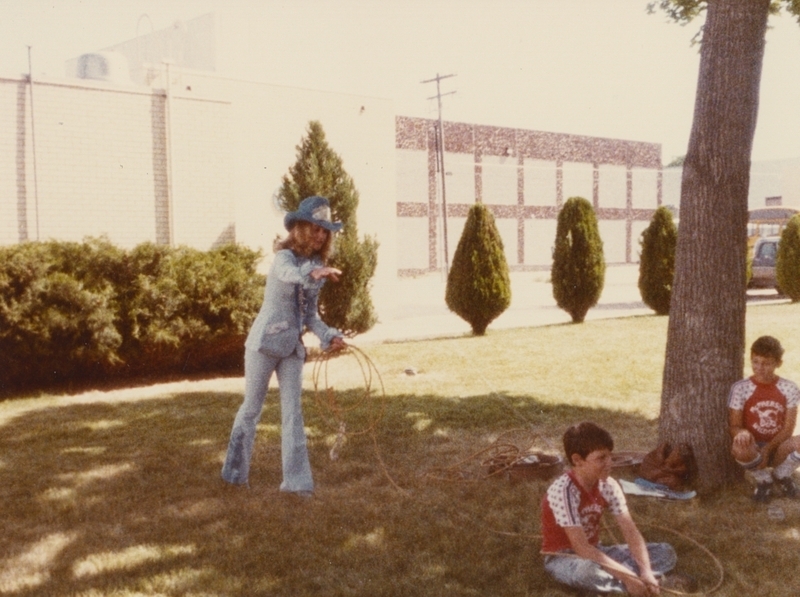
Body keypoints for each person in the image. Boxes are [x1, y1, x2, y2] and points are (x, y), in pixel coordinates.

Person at [221, 195, 346, 497]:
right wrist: (311, 274)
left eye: (325, 231)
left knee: (293, 414)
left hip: (291, 349)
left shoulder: (317, 266)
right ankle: (234, 474)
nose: (321, 236)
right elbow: (291, 276)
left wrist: (329, 335)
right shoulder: (284, 259)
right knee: (251, 409)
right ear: (301, 228)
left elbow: (310, 316)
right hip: (263, 345)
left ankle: (297, 486)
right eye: (316, 229)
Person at [541, 422, 676, 596]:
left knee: (666, 552)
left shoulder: (608, 485)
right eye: (601, 458)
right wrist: (628, 577)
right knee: (586, 572)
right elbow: (581, 548)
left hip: (597, 552)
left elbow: (631, 533)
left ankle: (619, 585)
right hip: (564, 558)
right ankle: (636, 585)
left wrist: (646, 571)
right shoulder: (563, 490)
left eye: (610, 456)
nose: (609, 463)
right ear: (577, 460)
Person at [729, 335, 800, 503]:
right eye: (755, 361)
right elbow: (734, 425)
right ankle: (763, 480)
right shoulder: (741, 388)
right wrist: (742, 434)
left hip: (778, 445)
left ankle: (781, 474)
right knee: (740, 447)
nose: (760, 368)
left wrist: (768, 450)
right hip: (753, 446)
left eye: (766, 363)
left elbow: (788, 429)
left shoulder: (789, 388)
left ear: (778, 363)